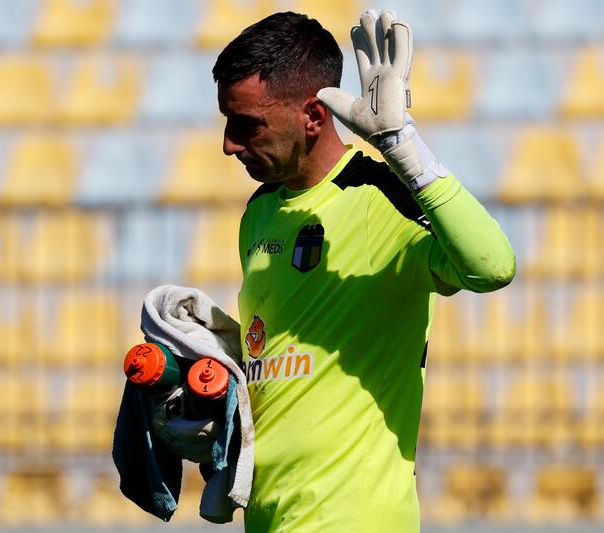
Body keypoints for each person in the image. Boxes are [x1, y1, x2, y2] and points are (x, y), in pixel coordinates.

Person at [211, 9, 516, 533]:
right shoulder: (259, 212)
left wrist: (403, 147)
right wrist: (213, 394)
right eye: (227, 123)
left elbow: (493, 267)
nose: (229, 144)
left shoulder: (383, 195)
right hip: (269, 520)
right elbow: (279, 368)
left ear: (313, 115)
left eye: (247, 125)